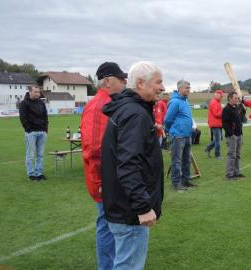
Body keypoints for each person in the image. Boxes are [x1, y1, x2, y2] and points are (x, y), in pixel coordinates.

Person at [101, 61, 165, 270]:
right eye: (158, 82)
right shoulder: (135, 113)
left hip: (123, 205)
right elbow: (128, 164)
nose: (162, 88)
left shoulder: (131, 110)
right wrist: (143, 207)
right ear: (140, 83)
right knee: (128, 265)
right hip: (130, 211)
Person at [80, 62, 127, 270]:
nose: (125, 82)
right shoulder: (100, 105)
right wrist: (102, 183)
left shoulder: (110, 102)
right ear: (108, 81)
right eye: (121, 79)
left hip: (111, 177)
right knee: (107, 225)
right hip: (104, 180)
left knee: (112, 224)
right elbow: (94, 149)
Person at [165, 79, 197, 191]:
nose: (189, 90)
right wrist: (172, 131)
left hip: (187, 135)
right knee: (177, 161)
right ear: (179, 89)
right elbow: (168, 119)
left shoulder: (185, 101)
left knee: (187, 159)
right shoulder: (175, 102)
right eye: (186, 88)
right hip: (178, 136)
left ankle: (186, 180)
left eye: (189, 88)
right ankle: (176, 183)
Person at [19, 85, 48, 181]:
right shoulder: (24, 103)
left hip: (42, 132)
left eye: (38, 92)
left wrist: (45, 130)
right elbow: (23, 118)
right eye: (35, 92)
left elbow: (45, 116)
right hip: (31, 133)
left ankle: (39, 173)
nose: (37, 94)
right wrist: (29, 129)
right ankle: (31, 174)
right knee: (30, 155)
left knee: (40, 154)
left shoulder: (41, 103)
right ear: (30, 92)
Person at [222, 92, 244, 180]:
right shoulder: (226, 109)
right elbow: (224, 123)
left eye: (237, 98)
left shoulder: (236, 108)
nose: (237, 99)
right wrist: (231, 134)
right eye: (235, 98)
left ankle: (236, 172)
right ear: (230, 98)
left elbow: (241, 119)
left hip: (239, 134)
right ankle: (229, 175)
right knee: (232, 155)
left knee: (237, 154)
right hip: (232, 136)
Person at [204, 90, 224, 159]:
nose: (221, 97)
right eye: (220, 96)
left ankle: (208, 148)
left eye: (222, 96)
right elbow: (216, 113)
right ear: (216, 95)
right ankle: (217, 155)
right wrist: (224, 113)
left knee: (219, 138)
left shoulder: (217, 102)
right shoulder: (214, 103)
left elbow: (219, 112)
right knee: (218, 140)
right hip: (214, 124)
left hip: (218, 124)